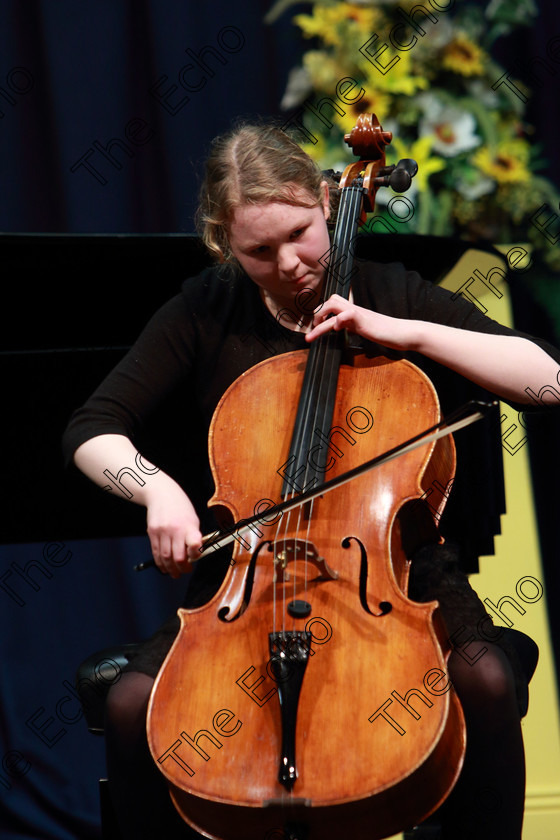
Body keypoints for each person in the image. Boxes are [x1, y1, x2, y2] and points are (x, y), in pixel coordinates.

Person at [63, 120, 560, 840]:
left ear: (327, 202)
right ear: (223, 242)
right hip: (251, 571)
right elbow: (91, 427)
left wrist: (405, 332)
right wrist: (157, 488)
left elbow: (549, 381)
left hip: (397, 570)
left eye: (300, 234)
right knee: (132, 707)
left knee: (484, 681)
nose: (290, 264)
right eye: (258, 251)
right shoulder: (206, 309)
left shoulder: (391, 289)